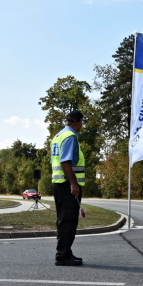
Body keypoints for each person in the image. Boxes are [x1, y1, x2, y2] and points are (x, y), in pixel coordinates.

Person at [51, 110, 86, 266]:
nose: (82, 126)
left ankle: (65, 251)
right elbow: (66, 162)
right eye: (82, 122)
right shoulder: (70, 137)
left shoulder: (58, 135)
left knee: (63, 220)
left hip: (59, 184)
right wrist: (73, 183)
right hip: (67, 185)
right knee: (68, 221)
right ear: (78, 122)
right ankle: (63, 255)